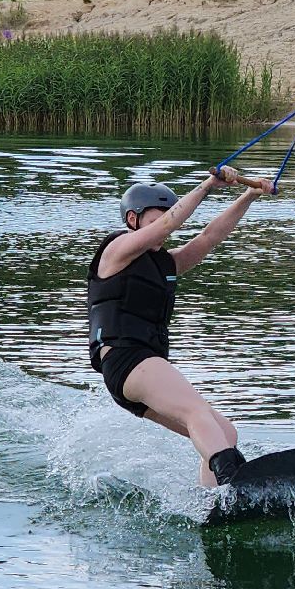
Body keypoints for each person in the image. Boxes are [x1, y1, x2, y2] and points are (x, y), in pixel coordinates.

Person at [88, 166, 272, 488]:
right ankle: (233, 482)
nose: (166, 228)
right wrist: (209, 186)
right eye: (157, 219)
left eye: (166, 218)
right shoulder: (115, 251)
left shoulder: (166, 263)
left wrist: (249, 195)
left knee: (224, 432)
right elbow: (168, 225)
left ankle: (213, 500)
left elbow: (210, 236)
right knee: (197, 412)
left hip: (136, 379)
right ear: (133, 220)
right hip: (126, 359)